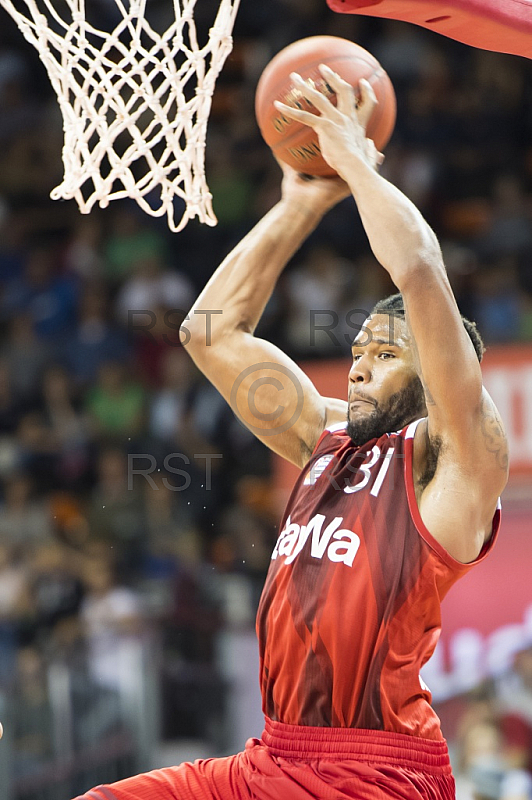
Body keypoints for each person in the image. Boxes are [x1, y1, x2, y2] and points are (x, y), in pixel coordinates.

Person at [73, 67, 508, 800]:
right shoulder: (327, 438)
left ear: (434, 373)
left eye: (386, 353)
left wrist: (349, 156)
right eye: (359, 349)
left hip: (374, 772)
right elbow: (209, 335)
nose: (360, 366)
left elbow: (422, 270)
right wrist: (299, 204)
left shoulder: (457, 460)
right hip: (268, 758)